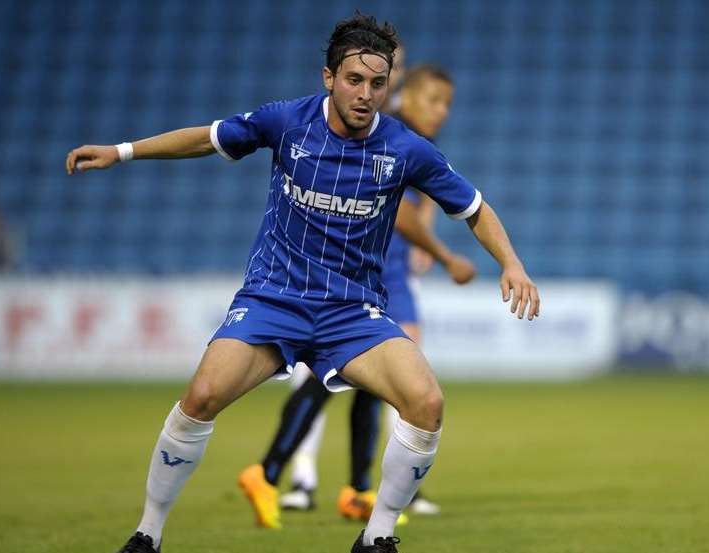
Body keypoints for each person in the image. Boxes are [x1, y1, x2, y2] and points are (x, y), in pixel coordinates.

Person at [66, 12, 540, 553]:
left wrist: (512, 263)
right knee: (201, 396)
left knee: (426, 402)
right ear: (329, 78)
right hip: (275, 299)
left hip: (351, 312)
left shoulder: (405, 149)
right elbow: (206, 138)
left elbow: (475, 208)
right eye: (354, 80)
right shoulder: (287, 122)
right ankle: (147, 533)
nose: (365, 94)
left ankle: (377, 537)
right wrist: (122, 152)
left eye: (378, 84)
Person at [244, 64, 469, 529]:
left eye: (446, 104)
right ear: (406, 98)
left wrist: (422, 246)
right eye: (433, 101)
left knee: (372, 384)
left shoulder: (411, 141)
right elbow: (404, 217)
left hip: (388, 268)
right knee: (367, 377)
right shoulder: (388, 134)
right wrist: (443, 254)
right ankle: (278, 473)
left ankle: (356, 486)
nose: (441, 112)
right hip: (370, 273)